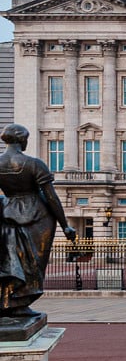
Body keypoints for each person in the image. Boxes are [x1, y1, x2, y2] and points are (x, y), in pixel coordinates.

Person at [0, 123, 76, 318]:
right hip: (37, 215)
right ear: (22, 140)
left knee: (10, 258)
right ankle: (19, 302)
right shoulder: (34, 163)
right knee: (33, 261)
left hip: (7, 212)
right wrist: (65, 225)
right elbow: (51, 197)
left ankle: (8, 301)